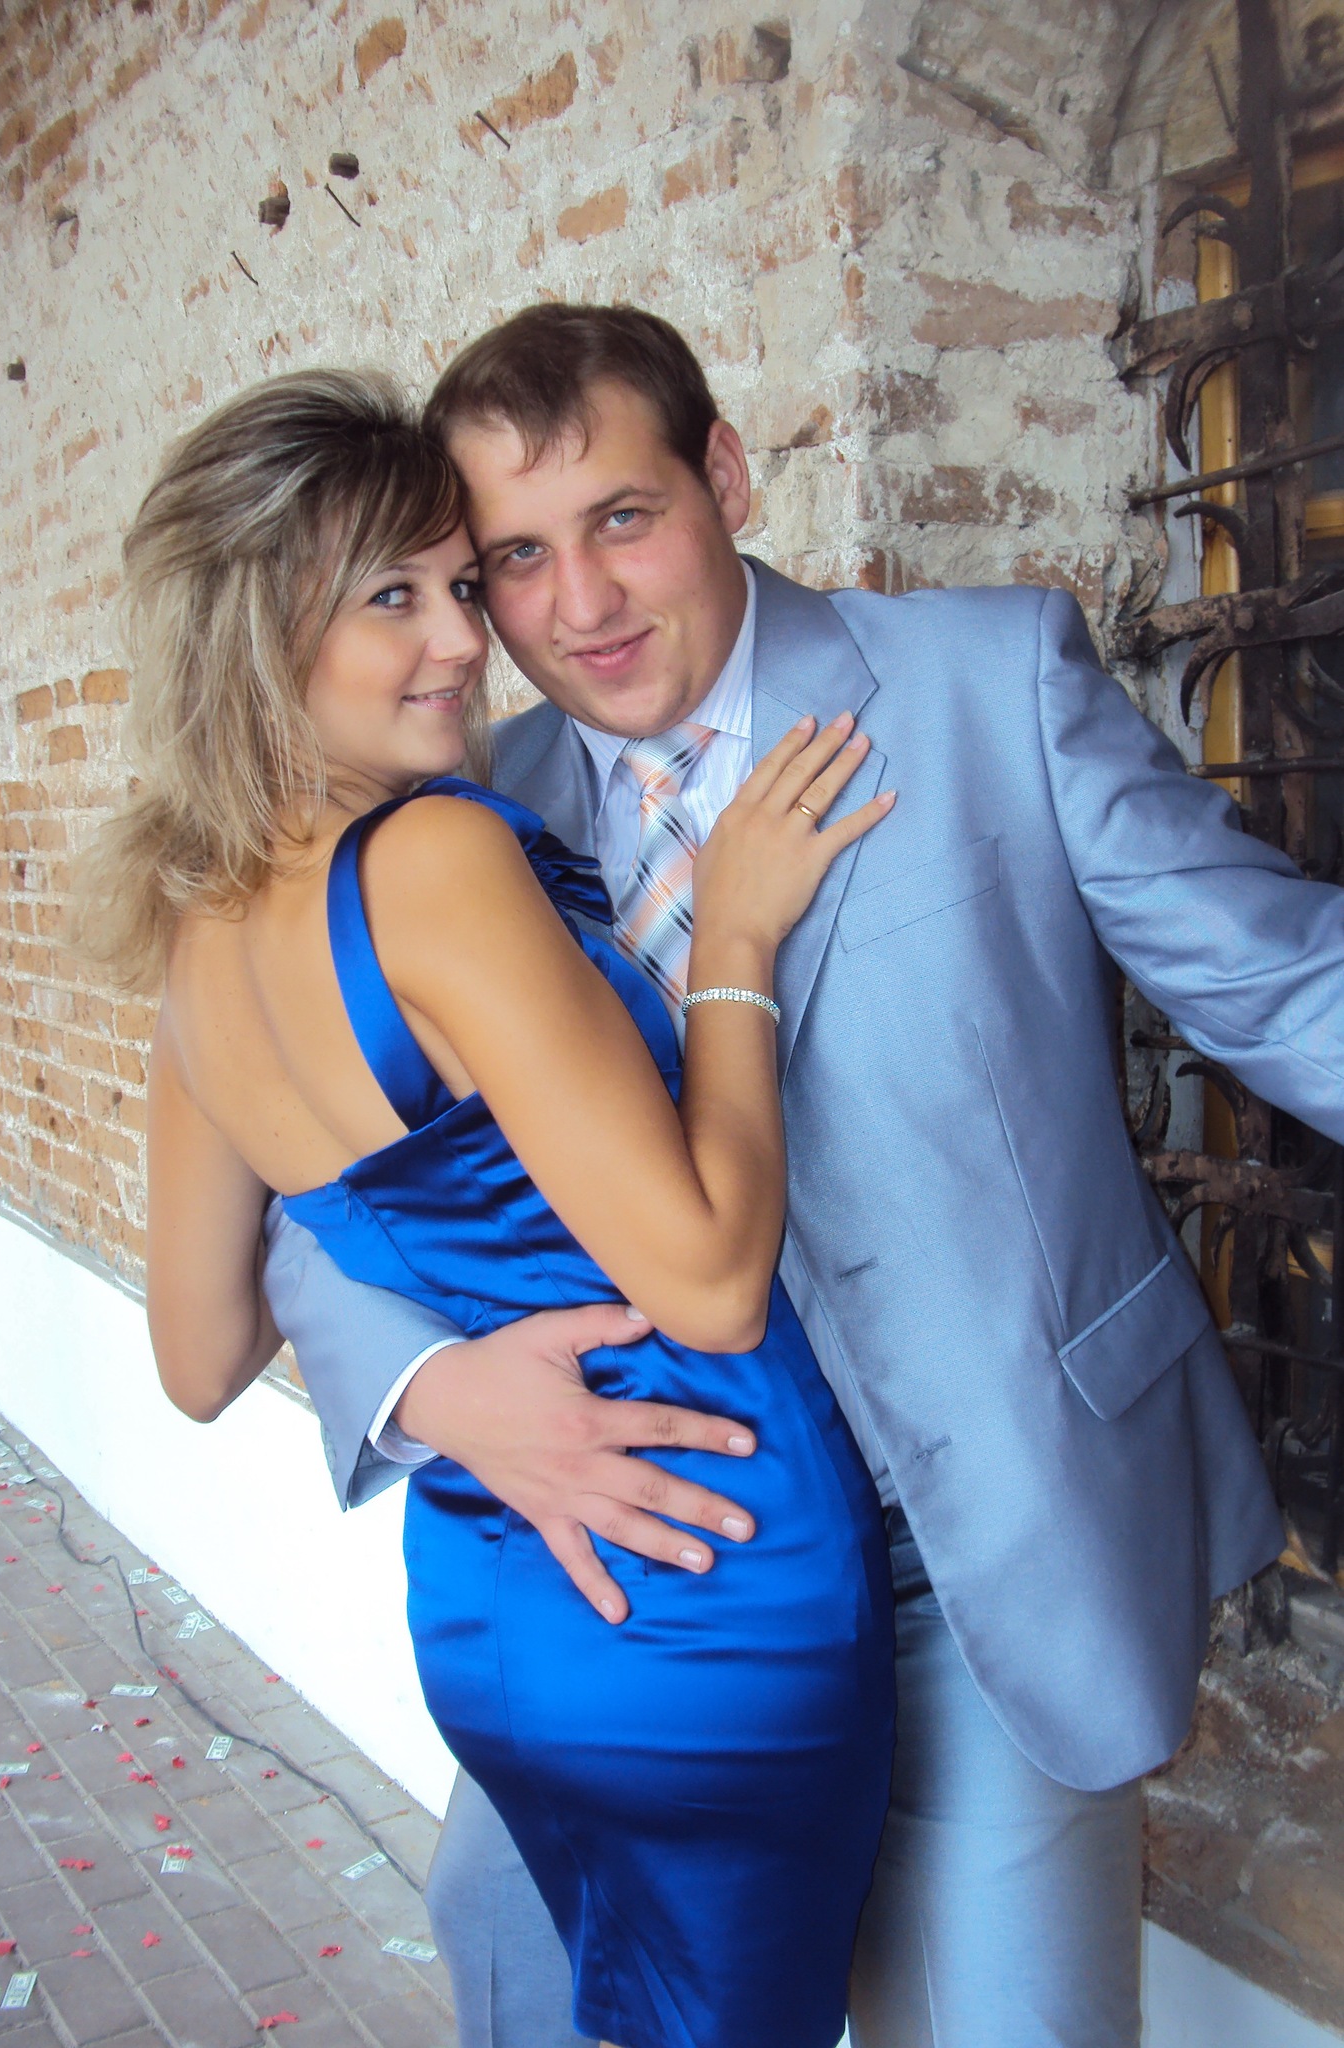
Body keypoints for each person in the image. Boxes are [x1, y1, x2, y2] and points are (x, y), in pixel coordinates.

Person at [260, 305, 1344, 2048]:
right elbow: (328, 1191)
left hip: (980, 1552)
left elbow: (1280, 983)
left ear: (725, 474)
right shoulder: (465, 816)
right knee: (536, 1996)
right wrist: (431, 1390)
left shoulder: (984, 683)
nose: (581, 605)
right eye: (516, 558)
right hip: (655, 1579)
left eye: (623, 517)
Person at [81, 366, 901, 2048]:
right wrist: (736, 939)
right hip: (706, 1559)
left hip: (492, 1597)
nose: (465, 640)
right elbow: (710, 1284)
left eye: (462, 586)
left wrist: (440, 1380)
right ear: (259, 633)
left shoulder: (193, 936)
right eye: (392, 598)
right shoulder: (436, 859)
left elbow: (197, 1355)